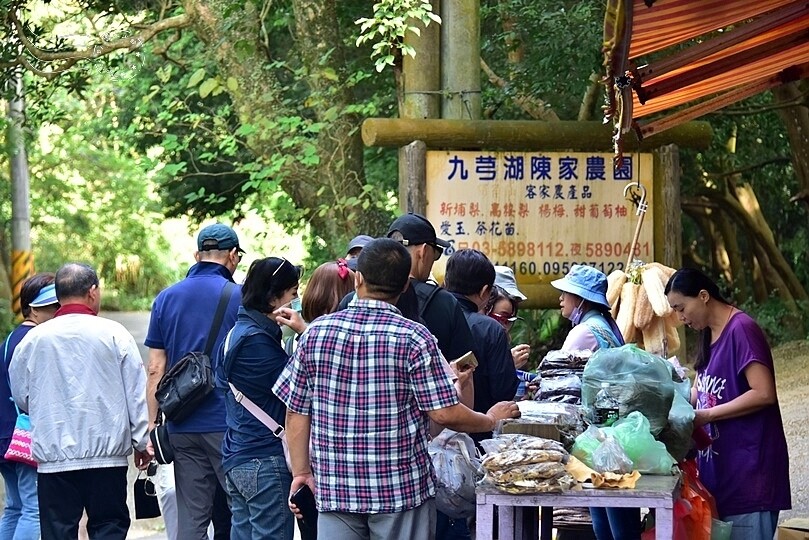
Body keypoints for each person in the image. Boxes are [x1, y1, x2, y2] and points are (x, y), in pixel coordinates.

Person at [273, 238, 521, 540]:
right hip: (400, 491)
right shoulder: (415, 338)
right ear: (405, 285)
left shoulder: (316, 334)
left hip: (336, 489)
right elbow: (444, 413)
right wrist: (490, 419)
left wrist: (301, 473)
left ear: (358, 279)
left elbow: (296, 410)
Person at [9, 263, 150, 539]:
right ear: (93, 292)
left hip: (54, 459)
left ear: (59, 295)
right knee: (109, 527)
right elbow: (135, 393)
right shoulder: (114, 334)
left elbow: (23, 397)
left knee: (58, 531)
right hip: (107, 460)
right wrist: (142, 441)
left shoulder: (33, 340)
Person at [665, 268, 790, 539]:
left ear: (703, 296)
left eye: (681, 307)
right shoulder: (708, 335)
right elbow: (699, 392)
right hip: (721, 476)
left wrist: (707, 415)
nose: (680, 317)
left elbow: (764, 392)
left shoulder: (742, 329)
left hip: (750, 476)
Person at [145, 223, 243, 540]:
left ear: (197, 255)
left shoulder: (165, 298)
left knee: (192, 520)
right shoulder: (241, 297)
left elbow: (155, 369)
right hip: (227, 424)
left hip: (182, 425)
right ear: (232, 256)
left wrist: (152, 424)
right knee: (241, 512)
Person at [217, 257, 306, 539]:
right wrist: (306, 333)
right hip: (263, 460)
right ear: (272, 298)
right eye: (293, 294)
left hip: (239, 455)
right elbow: (297, 390)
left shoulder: (237, 333)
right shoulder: (256, 342)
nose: (296, 301)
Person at [551, 264, 633, 540]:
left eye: (566, 293)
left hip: (598, 433)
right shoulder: (608, 325)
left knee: (607, 517)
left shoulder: (584, 331)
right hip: (615, 429)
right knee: (614, 511)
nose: (561, 299)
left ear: (581, 299)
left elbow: (557, 378)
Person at [1, 273, 58, 540]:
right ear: (33, 309)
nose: (58, 312)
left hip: (5, 437)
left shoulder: (10, 340)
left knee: (15, 507)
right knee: (34, 509)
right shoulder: (35, 341)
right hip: (23, 440)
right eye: (51, 307)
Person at [444, 249, 520, 439]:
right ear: (485, 292)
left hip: (430, 435)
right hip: (481, 435)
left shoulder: (423, 320)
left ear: (446, 283)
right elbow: (504, 391)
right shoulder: (491, 329)